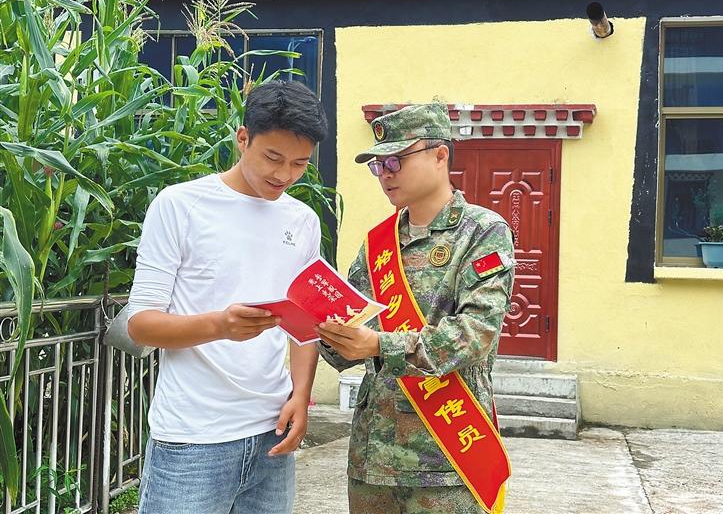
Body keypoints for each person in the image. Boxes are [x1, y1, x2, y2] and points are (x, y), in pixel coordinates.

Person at [126, 80, 328, 514]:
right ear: (243, 138)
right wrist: (220, 325)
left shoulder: (303, 220)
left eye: (299, 164)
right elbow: (140, 325)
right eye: (272, 157)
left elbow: (303, 324)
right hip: (193, 438)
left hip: (273, 433)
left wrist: (301, 394)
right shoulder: (180, 206)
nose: (284, 175)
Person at [317, 103, 515, 514]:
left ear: (440, 155)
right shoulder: (378, 244)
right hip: (372, 458)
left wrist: (378, 345)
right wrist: (323, 329)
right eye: (378, 165)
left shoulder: (483, 232)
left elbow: (475, 333)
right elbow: (348, 339)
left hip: (445, 461)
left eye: (396, 160)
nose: (385, 174)